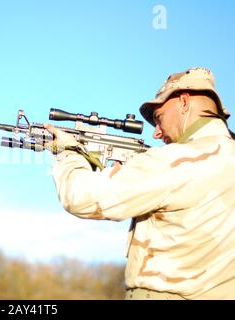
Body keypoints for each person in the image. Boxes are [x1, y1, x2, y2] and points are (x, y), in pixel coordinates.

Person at [44, 68, 235, 299]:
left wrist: (69, 152)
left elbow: (79, 197)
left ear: (184, 102)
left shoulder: (175, 161)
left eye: (159, 118)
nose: (156, 133)